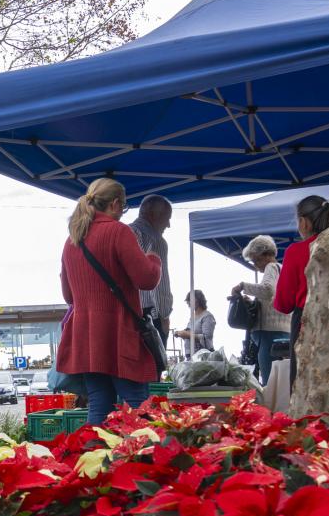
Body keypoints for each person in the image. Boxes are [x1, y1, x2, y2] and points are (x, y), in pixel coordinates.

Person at [56, 178, 162, 425]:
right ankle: (143, 450)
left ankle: (96, 450)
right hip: (119, 334)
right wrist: (153, 259)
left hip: (87, 339)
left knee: (99, 404)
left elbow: (69, 297)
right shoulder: (118, 232)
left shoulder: (72, 241)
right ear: (115, 204)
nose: (122, 213)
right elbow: (146, 279)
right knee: (137, 404)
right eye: (123, 207)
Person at [274, 193, 329, 388]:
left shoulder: (297, 251)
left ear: (304, 222)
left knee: (303, 385)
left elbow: (283, 304)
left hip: (306, 323)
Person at [234, 235, 293, 381]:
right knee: (283, 380)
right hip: (285, 330)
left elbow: (267, 290)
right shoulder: (283, 269)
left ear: (266, 255)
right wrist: (255, 300)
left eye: (257, 260)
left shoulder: (271, 267)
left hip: (268, 332)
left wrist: (243, 286)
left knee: (269, 381)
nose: (256, 265)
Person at [130, 195, 173, 339]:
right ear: (154, 215)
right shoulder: (157, 241)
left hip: (126, 312)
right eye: (167, 218)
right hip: (150, 315)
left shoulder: (124, 232)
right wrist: (164, 316)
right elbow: (160, 286)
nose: (168, 225)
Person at [174, 290, 215, 356]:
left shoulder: (207, 316)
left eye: (189, 300)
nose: (188, 304)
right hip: (191, 355)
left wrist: (187, 335)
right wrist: (181, 333)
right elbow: (190, 333)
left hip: (204, 356)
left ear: (196, 300)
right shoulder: (192, 317)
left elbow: (207, 338)